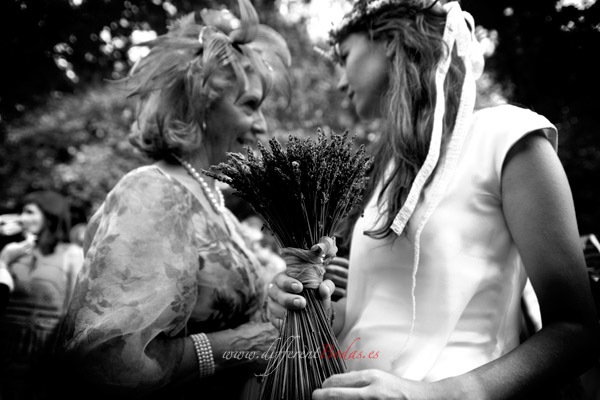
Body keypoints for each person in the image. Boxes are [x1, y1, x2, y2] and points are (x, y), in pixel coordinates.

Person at [268, 0, 599, 399]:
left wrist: (433, 394)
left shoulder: (506, 136)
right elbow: (372, 319)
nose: (339, 81)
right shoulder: (387, 173)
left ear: (389, 41)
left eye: (344, 57)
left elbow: (577, 331)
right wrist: (311, 312)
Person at [54, 0, 291, 399]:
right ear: (201, 105)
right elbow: (107, 359)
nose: (262, 125)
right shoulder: (152, 191)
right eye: (250, 105)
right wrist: (235, 346)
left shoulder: (218, 204)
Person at [0, 191, 83, 400]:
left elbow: (74, 309)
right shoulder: (12, 251)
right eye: (21, 212)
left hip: (45, 350)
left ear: (50, 215)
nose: (22, 217)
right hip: (7, 347)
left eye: (29, 212)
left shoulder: (71, 254)